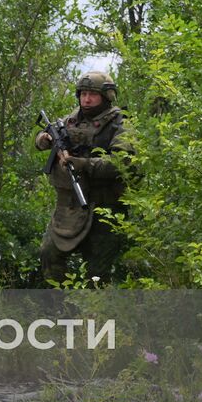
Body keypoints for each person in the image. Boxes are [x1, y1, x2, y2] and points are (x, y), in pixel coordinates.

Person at [36, 70, 133, 284]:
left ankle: (94, 316)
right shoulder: (72, 120)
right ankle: (60, 310)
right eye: (83, 93)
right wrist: (43, 139)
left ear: (106, 96)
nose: (86, 99)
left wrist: (85, 164)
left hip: (104, 209)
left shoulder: (120, 123)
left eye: (93, 94)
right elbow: (48, 132)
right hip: (69, 208)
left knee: (96, 275)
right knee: (49, 255)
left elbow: (121, 163)